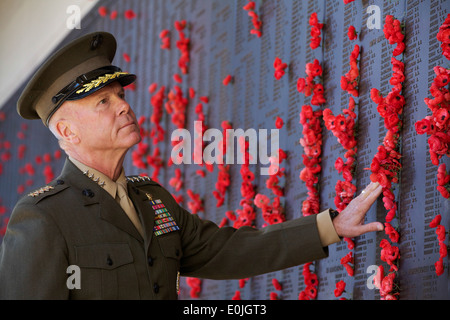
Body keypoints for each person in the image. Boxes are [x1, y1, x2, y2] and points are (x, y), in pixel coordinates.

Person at [0, 32, 383, 299]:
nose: (123, 105)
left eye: (119, 93)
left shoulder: (152, 199)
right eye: (102, 101)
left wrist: (329, 226)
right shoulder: (44, 218)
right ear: (66, 130)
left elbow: (226, 251)